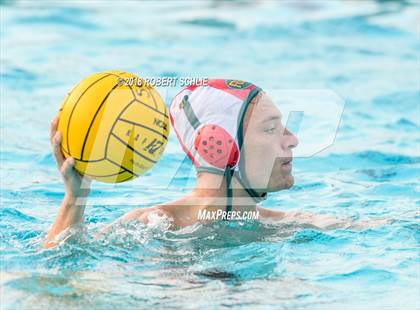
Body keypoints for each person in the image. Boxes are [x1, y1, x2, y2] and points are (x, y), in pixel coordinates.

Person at [44, 79, 376, 248]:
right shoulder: (156, 224)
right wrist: (75, 199)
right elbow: (59, 269)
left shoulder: (289, 224)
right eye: (271, 128)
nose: (292, 139)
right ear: (219, 148)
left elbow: (385, 228)